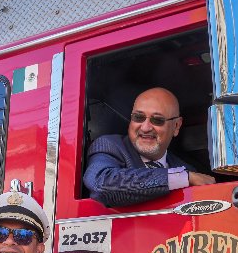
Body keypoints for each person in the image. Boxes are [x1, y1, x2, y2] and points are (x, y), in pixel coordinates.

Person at [83, 87, 215, 206]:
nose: (145, 128)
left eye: (157, 120)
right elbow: (101, 184)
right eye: (138, 117)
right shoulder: (109, 146)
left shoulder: (187, 169)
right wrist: (181, 178)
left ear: (176, 126)